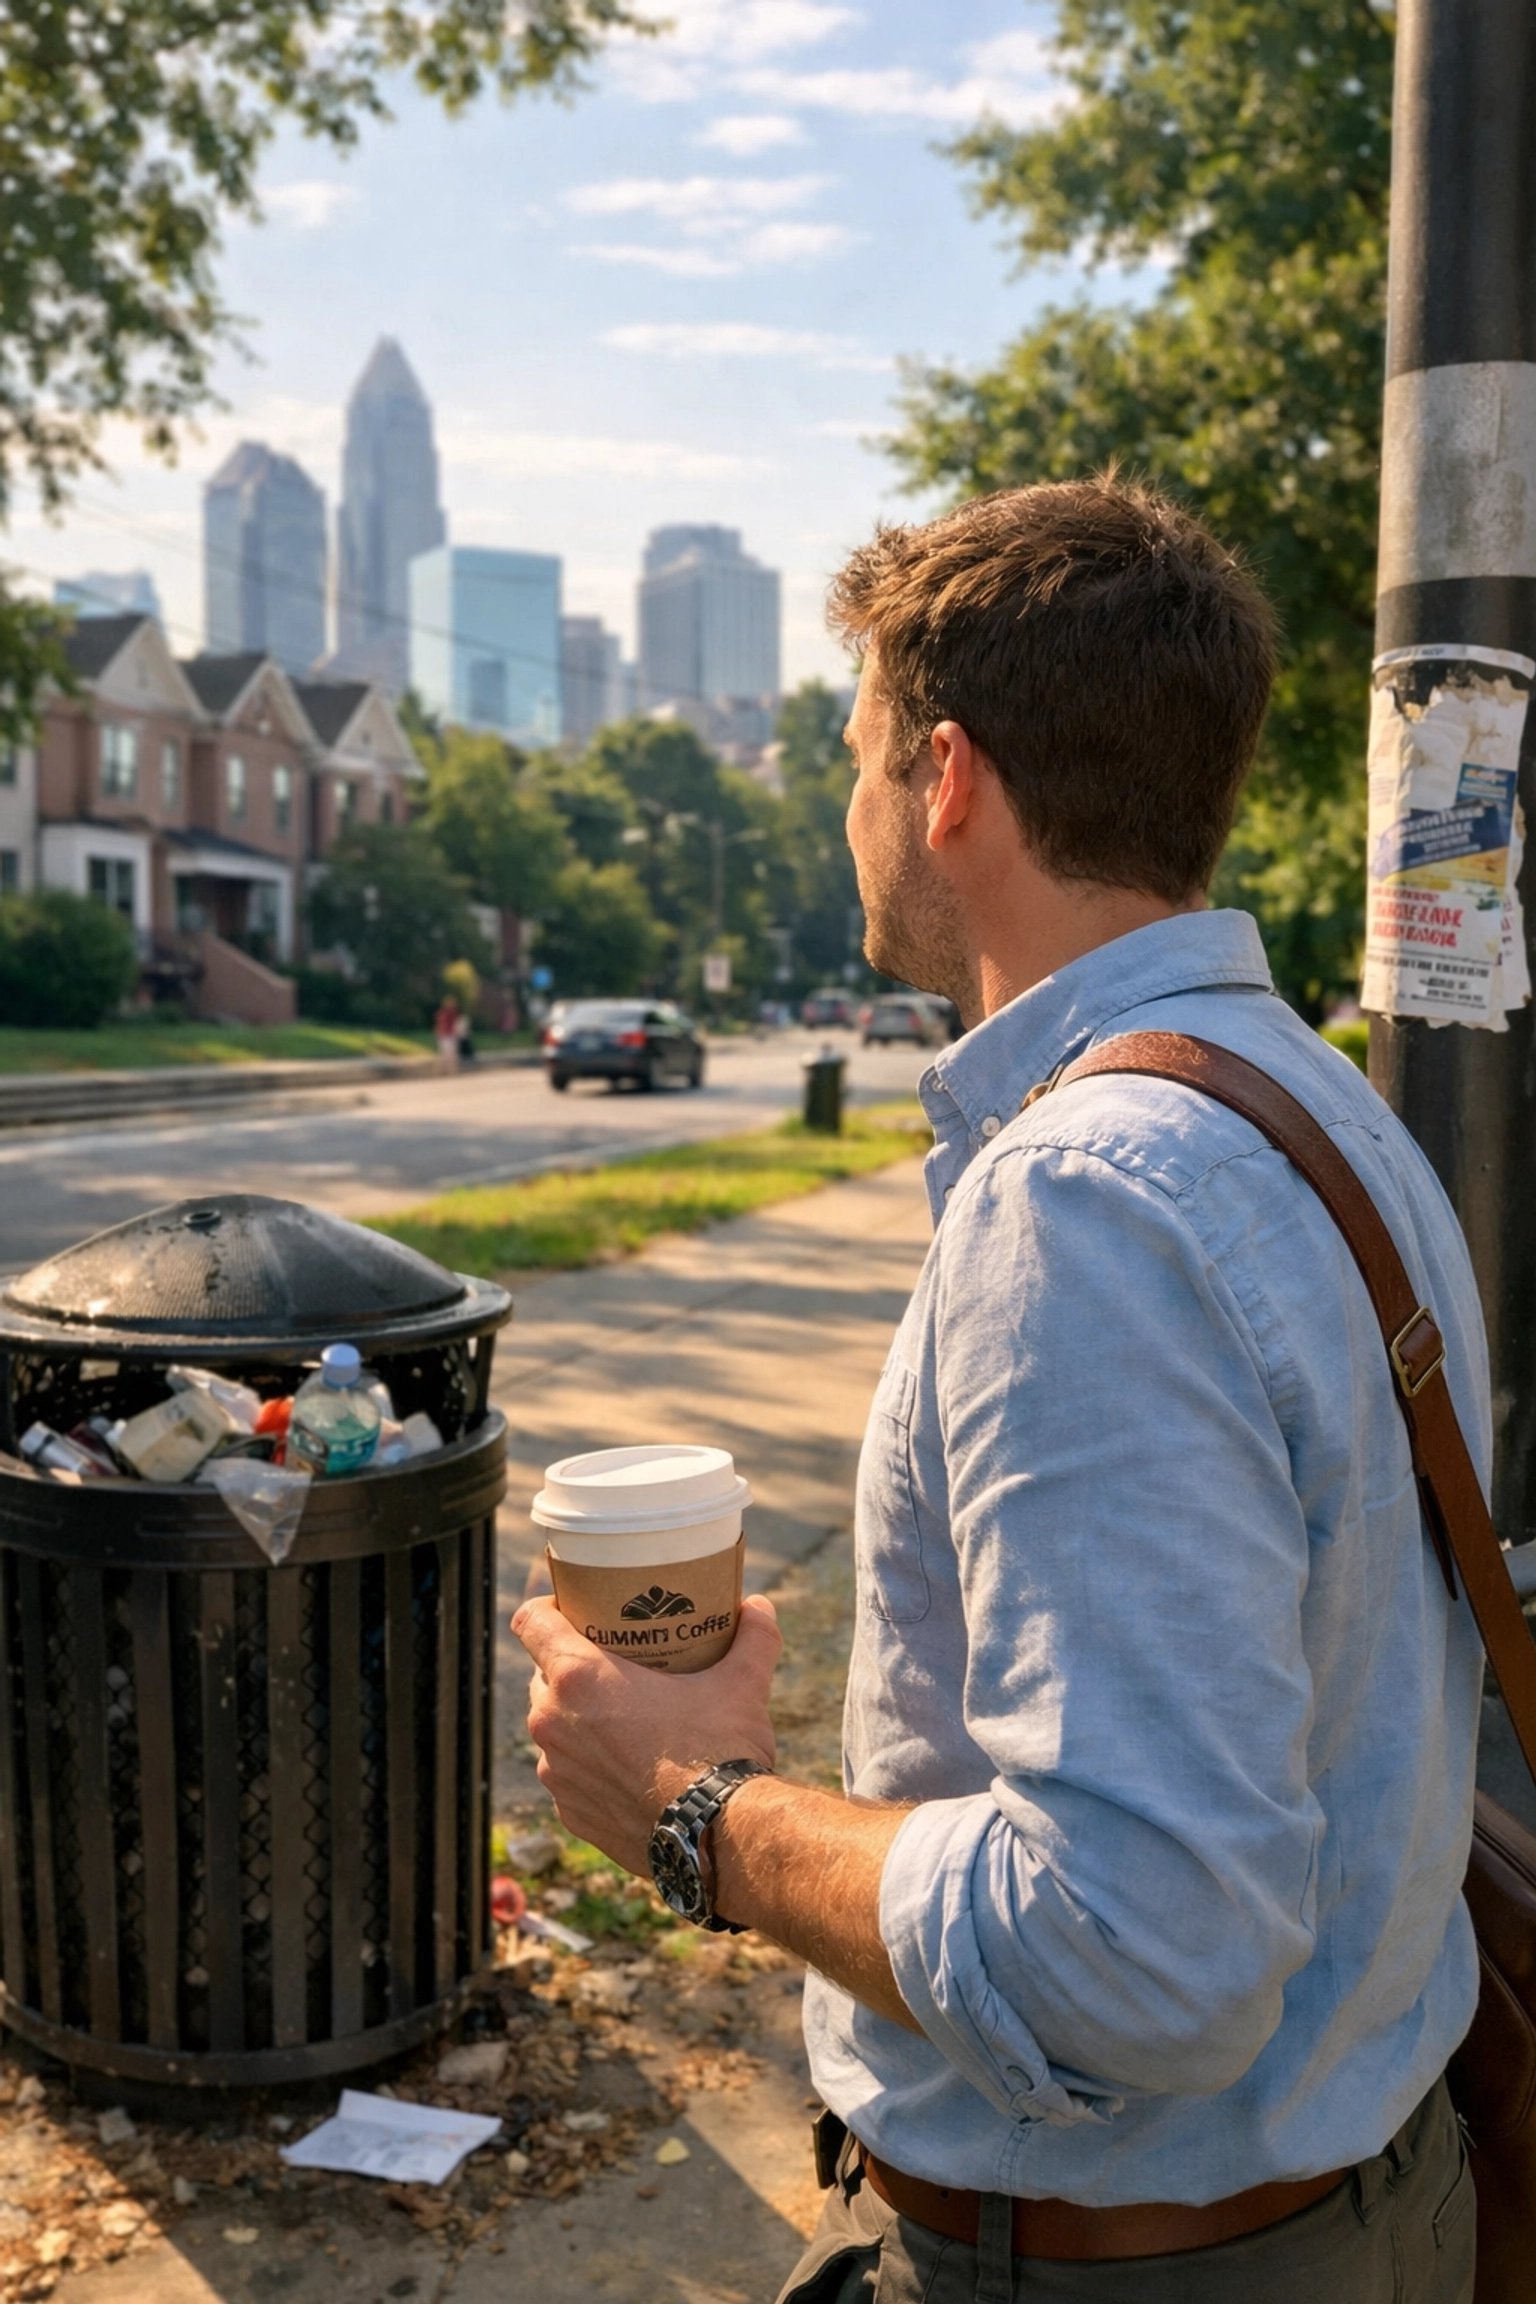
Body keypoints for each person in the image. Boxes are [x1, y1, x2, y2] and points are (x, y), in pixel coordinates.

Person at [514, 478, 1484, 2302]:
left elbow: (1137, 1952)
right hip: (1364, 2189)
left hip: (1135, 2260)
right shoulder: (1331, 1108)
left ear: (946, 782)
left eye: (864, 754)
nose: (852, 804)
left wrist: (701, 1803)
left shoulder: (1088, 1201)